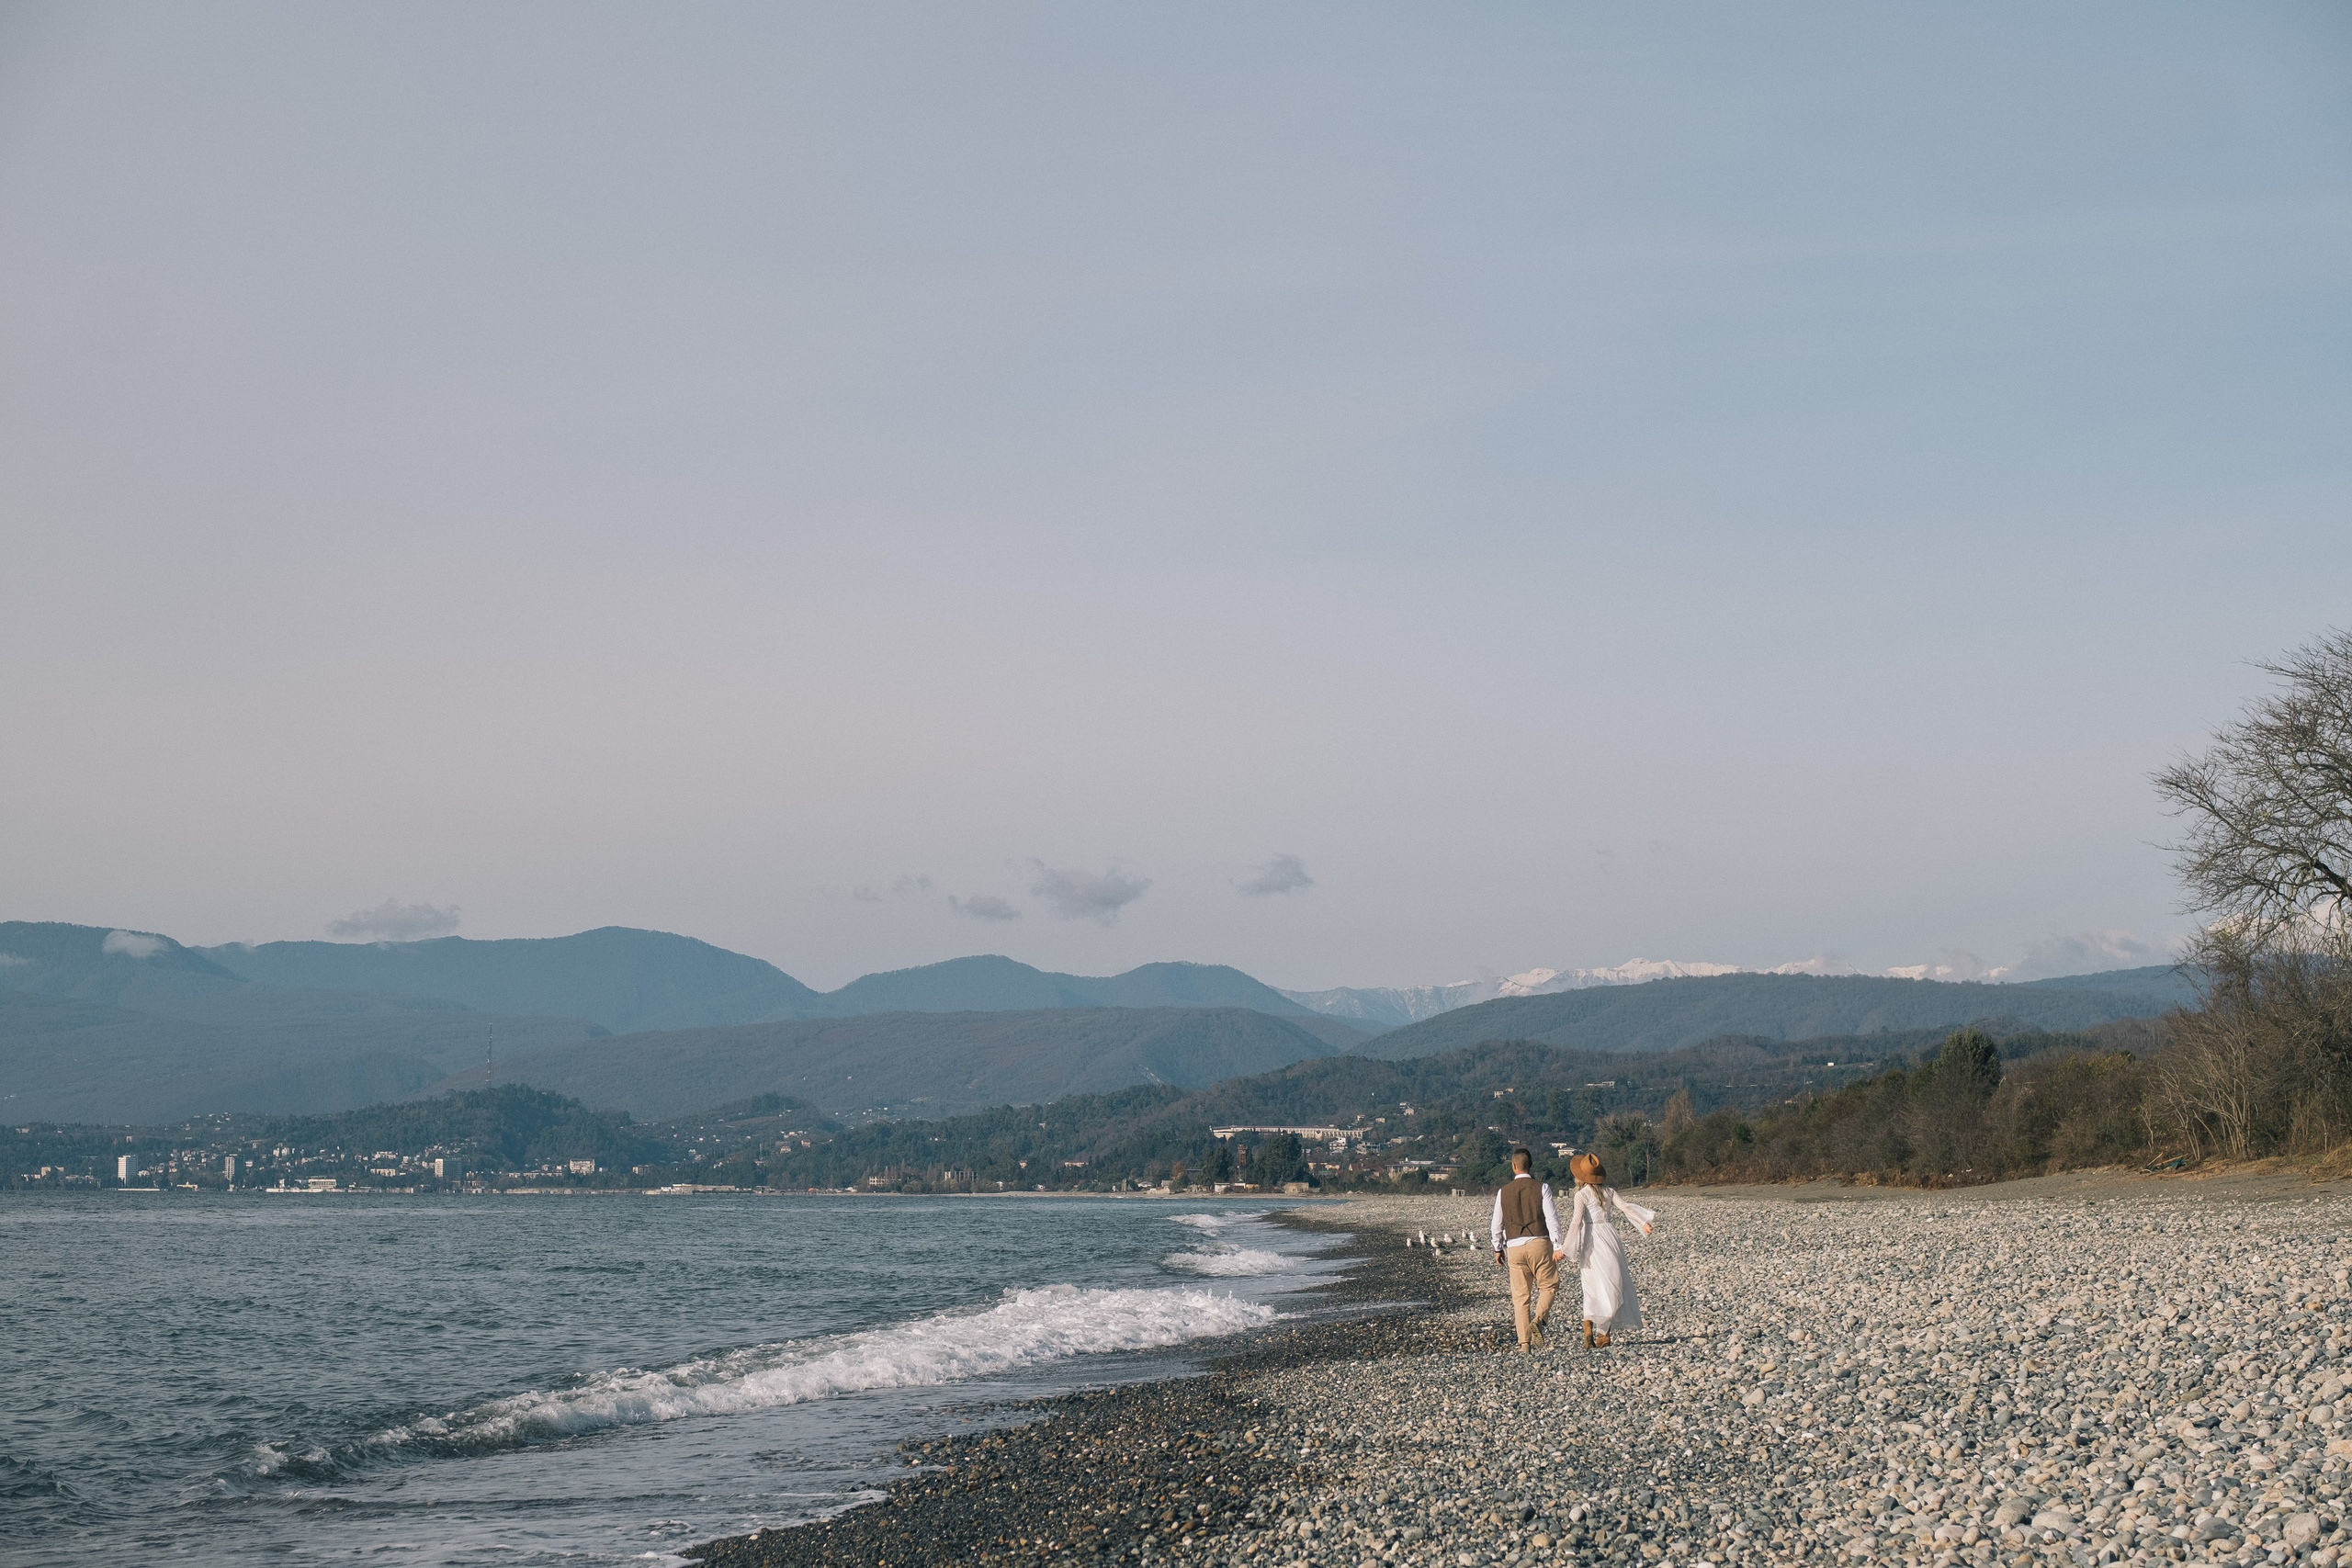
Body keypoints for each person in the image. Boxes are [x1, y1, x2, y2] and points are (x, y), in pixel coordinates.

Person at [1562, 1151, 1655, 1348]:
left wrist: (1566, 1248)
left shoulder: (1581, 1195)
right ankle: (1603, 1332)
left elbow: (1576, 1222)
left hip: (1591, 1238)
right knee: (1612, 1283)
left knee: (1592, 1285)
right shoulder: (1609, 1191)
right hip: (1609, 1237)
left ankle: (1589, 1324)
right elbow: (1626, 1208)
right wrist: (1642, 1222)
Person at [1488, 1146, 1566, 1352]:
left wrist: (1497, 1248)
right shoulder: (1542, 1187)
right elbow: (1552, 1219)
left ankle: (1524, 1343)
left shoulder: (1503, 1192)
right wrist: (1558, 1245)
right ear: (1530, 1165)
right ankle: (1539, 1321)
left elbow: (1497, 1224)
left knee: (1521, 1297)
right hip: (1540, 1243)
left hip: (1514, 1246)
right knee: (1548, 1286)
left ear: (1513, 1166)